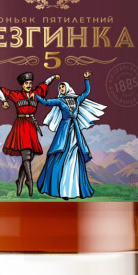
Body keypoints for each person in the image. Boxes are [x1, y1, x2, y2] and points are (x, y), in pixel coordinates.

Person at [34, 71, 106, 199]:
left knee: (75, 156)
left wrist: (86, 79)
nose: (61, 89)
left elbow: (86, 92)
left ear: (67, 88)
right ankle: (62, 190)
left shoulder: (76, 99)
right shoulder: (59, 100)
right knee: (61, 154)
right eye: (60, 88)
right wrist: (35, 96)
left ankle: (73, 190)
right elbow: (45, 102)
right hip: (64, 130)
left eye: (63, 87)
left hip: (75, 130)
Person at [0, 71, 60, 196]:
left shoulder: (36, 93)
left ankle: (19, 181)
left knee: (29, 156)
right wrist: (4, 101)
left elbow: (45, 83)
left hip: (31, 126)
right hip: (21, 125)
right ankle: (29, 180)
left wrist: (53, 77)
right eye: (26, 83)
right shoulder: (16, 95)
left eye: (30, 83)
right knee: (26, 155)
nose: (28, 85)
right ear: (22, 85)